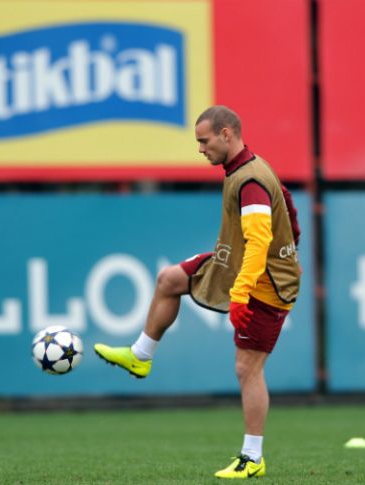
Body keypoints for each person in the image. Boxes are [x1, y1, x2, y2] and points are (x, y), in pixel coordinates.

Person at [94, 105, 302, 479]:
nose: (200, 149)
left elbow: (258, 241)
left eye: (204, 141)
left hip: (265, 283)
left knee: (247, 368)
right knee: (169, 280)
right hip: (234, 263)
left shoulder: (249, 180)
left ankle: (252, 457)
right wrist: (293, 238)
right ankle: (141, 355)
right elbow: (285, 199)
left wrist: (241, 295)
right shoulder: (248, 168)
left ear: (226, 134)